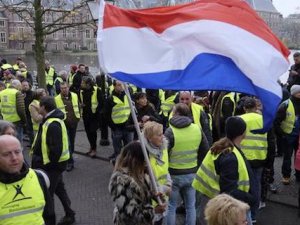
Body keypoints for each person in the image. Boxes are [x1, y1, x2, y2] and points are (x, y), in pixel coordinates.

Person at [192, 116, 256, 225]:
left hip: (210, 202)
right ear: (243, 133)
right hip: (229, 208)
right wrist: (251, 199)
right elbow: (229, 191)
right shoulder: (230, 156)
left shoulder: (219, 147)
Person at [31, 96, 75, 225]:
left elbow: (56, 149)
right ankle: (70, 214)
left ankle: (50, 221)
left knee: (47, 196)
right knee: (59, 189)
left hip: (51, 167)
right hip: (53, 166)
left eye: (39, 105)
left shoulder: (53, 123)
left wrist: (49, 164)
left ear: (44, 107)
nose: (38, 107)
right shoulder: (50, 120)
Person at [165, 103, 209, 225]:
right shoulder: (197, 129)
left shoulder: (170, 131)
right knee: (191, 206)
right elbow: (205, 150)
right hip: (192, 173)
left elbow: (164, 154)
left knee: (171, 206)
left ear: (177, 114)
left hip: (174, 174)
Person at [0, 135, 55, 224]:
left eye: (17, 152)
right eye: (6, 154)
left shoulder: (38, 177)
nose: (14, 158)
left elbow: (49, 215)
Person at [109, 141, 166, 225]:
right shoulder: (121, 181)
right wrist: (154, 211)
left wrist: (155, 196)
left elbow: (143, 196)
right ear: (136, 161)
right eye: (144, 161)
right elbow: (129, 215)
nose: (146, 164)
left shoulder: (141, 174)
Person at [142, 121, 172, 225]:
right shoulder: (143, 154)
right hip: (149, 203)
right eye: (159, 135)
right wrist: (161, 189)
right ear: (149, 138)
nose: (162, 137)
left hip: (162, 199)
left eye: (162, 133)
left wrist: (168, 185)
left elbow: (166, 169)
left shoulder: (163, 148)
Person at [274, 84, 300, 184]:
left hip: (299, 137)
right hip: (288, 136)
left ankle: (298, 175)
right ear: (294, 93)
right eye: (299, 92)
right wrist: (282, 135)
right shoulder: (285, 105)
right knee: (287, 158)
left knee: (298, 157)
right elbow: (276, 122)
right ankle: (286, 176)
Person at [55, 82, 80, 171]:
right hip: (64, 124)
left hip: (74, 122)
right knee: (68, 143)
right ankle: (70, 162)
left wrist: (79, 116)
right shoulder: (56, 99)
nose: (64, 89)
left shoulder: (74, 95)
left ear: (68, 87)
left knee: (72, 142)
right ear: (60, 89)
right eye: (62, 88)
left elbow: (78, 106)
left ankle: (70, 156)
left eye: (65, 87)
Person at [106, 80, 133, 162]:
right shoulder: (110, 99)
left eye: (122, 85)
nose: (121, 86)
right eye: (118, 85)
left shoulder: (127, 96)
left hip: (128, 127)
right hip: (117, 128)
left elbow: (131, 110)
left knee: (129, 148)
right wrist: (113, 126)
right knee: (118, 150)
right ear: (114, 86)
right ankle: (119, 166)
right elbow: (106, 115)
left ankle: (128, 165)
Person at [80, 76, 102, 158]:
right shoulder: (82, 91)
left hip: (94, 116)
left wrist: (97, 112)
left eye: (83, 83)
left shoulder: (97, 90)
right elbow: (81, 101)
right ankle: (91, 147)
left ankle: (94, 149)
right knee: (88, 132)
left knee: (93, 132)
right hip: (85, 115)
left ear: (88, 84)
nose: (81, 84)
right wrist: (81, 105)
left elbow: (101, 103)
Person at [0, 79, 26, 144]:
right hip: (17, 120)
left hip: (5, 119)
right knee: (18, 141)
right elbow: (21, 109)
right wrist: (24, 121)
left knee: (7, 140)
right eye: (20, 86)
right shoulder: (17, 93)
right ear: (17, 85)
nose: (20, 88)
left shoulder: (1, 92)